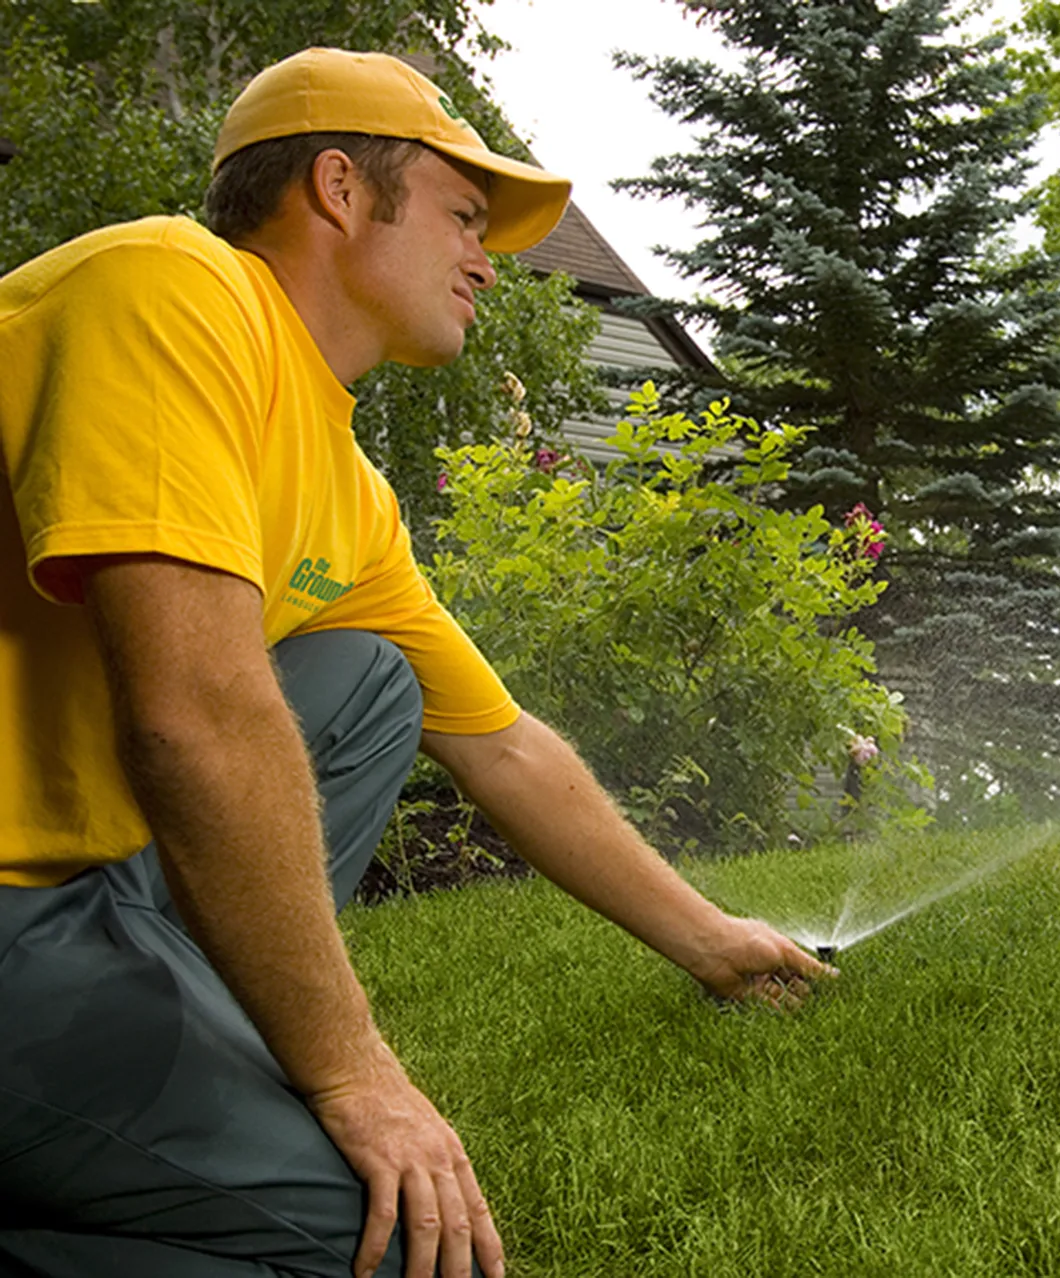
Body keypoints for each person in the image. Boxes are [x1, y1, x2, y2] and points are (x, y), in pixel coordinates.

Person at [0, 47, 835, 1278]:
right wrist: (353, 1074)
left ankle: (183, 1030)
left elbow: (501, 746)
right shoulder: (169, 288)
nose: (488, 257)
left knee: (371, 681)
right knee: (390, 1253)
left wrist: (712, 939)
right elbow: (194, 715)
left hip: (91, 896)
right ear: (339, 189)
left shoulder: (347, 487)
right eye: (460, 214)